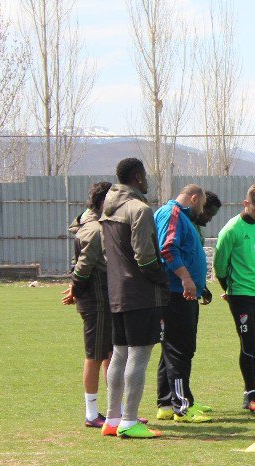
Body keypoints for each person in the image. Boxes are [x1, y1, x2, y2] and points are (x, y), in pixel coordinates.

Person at [98, 158, 166, 438]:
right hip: (140, 294)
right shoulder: (140, 209)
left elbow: (105, 253)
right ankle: (129, 421)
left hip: (116, 291)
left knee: (119, 355)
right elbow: (145, 256)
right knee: (138, 356)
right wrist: (162, 279)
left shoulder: (107, 209)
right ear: (138, 177)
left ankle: (112, 419)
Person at [154, 184, 213, 424]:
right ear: (194, 197)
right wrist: (187, 279)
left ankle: (167, 403)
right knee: (180, 349)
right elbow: (167, 248)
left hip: (184, 292)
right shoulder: (174, 214)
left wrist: (200, 285)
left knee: (171, 349)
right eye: (202, 203)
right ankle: (182, 406)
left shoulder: (177, 215)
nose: (202, 209)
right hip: (178, 293)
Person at [214, 184, 255, 412]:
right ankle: (250, 394)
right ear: (245, 203)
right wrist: (229, 289)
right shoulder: (231, 230)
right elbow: (220, 265)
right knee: (247, 342)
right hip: (240, 294)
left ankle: (252, 392)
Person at [62, 181, 113, 428]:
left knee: (109, 354)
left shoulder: (93, 224)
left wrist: (75, 289)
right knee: (95, 355)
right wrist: (76, 288)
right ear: (104, 202)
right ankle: (92, 414)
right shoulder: (94, 229)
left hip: (103, 297)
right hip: (97, 300)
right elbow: (83, 267)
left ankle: (116, 410)